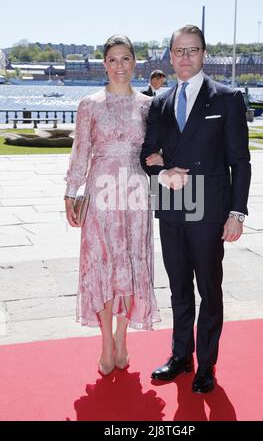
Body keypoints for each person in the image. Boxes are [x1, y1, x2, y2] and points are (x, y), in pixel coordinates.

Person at [141, 25, 251, 393]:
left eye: (193, 50)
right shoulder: (160, 102)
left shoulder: (228, 98)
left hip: (210, 205)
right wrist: (161, 169)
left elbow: (241, 161)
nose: (185, 57)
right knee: (177, 287)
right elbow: (147, 155)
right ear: (170, 57)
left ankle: (207, 365)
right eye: (179, 51)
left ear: (204, 54)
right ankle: (181, 356)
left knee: (209, 287)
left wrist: (237, 213)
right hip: (172, 200)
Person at [64, 35, 162, 376]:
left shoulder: (149, 106)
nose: (119, 65)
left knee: (131, 264)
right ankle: (106, 341)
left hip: (135, 190)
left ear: (135, 62)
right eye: (112, 59)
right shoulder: (89, 104)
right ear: (104, 64)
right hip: (100, 190)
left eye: (125, 59)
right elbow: (80, 151)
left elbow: (159, 149)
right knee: (102, 265)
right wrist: (70, 191)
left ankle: (123, 338)